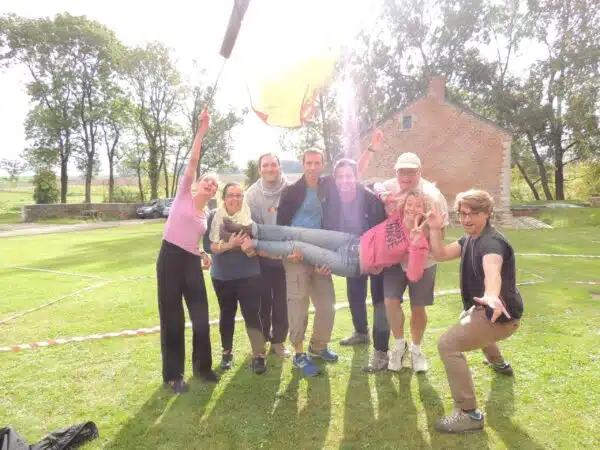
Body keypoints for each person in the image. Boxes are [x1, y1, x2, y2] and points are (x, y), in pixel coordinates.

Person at [427, 189, 523, 433]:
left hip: (500, 316)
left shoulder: (491, 243)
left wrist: (491, 295)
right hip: (488, 312)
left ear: (487, 213)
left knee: (448, 344)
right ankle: (499, 364)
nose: (466, 219)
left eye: (473, 213)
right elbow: (440, 254)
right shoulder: (469, 238)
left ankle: (469, 414)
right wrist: (435, 229)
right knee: (468, 319)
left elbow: (492, 270)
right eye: (462, 213)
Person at [222, 188, 431, 282]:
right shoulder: (396, 216)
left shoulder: (419, 241)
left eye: (418, 206)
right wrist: (382, 194)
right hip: (350, 240)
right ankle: (250, 229)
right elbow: (374, 187)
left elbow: (414, 275)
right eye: (410, 204)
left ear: (424, 210)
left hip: (352, 263)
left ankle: (253, 242)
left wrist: (414, 243)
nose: (412, 209)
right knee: (297, 232)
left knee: (297, 246)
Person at [363, 149, 449, 373]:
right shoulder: (391, 186)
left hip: (424, 260)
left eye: (411, 172)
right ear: (396, 172)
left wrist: (422, 237)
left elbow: (442, 231)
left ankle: (416, 349)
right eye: (402, 172)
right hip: (394, 260)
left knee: (418, 307)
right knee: (390, 301)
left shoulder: (433, 195)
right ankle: (399, 346)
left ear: (420, 171)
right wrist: (381, 192)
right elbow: (373, 185)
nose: (406, 177)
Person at [156, 107, 219, 393]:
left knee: (201, 315)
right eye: (206, 180)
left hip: (191, 262)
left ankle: (203, 368)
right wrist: (202, 131)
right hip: (169, 259)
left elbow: (193, 240)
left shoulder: (206, 216)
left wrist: (202, 254)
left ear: (214, 192)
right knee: (173, 318)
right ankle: (173, 376)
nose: (210, 184)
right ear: (198, 184)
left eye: (214, 184)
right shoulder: (183, 194)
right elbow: (193, 161)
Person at [321, 158, 390, 371]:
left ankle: (382, 350)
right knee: (355, 295)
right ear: (335, 179)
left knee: (379, 301)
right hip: (352, 256)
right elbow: (330, 230)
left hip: (376, 257)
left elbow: (381, 232)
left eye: (349, 176)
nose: (345, 180)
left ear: (356, 177)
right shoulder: (332, 201)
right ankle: (361, 332)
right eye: (340, 176)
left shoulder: (370, 199)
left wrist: (377, 259)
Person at [203, 182, 267, 374]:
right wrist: (230, 245)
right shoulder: (213, 216)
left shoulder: (251, 216)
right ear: (224, 197)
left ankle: (259, 355)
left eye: (239, 195)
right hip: (222, 277)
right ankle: (227, 352)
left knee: (252, 315)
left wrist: (249, 249)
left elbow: (260, 245)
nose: (235, 199)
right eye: (231, 195)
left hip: (249, 275)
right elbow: (207, 246)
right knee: (227, 315)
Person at [245, 153, 291, 358]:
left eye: (274, 164)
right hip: (261, 256)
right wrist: (264, 250)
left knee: (283, 301)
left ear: (280, 167)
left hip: (286, 256)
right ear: (260, 170)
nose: (270, 169)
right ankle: (262, 340)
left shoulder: (291, 190)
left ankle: (279, 341)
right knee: (262, 301)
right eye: (265, 165)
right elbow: (251, 227)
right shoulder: (251, 195)